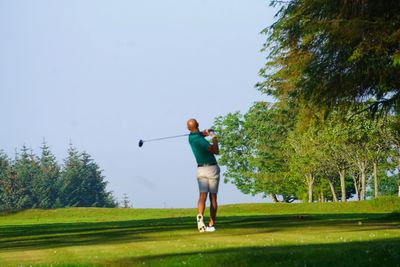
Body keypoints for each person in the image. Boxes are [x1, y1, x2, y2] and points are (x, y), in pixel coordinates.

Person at [187, 118, 220, 232]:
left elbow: (198, 134)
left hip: (200, 169)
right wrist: (214, 137)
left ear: (188, 129)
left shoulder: (190, 138)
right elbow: (216, 150)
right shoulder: (201, 141)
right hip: (211, 168)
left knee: (202, 196)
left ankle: (200, 216)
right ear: (198, 124)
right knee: (213, 197)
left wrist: (206, 132)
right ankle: (211, 224)